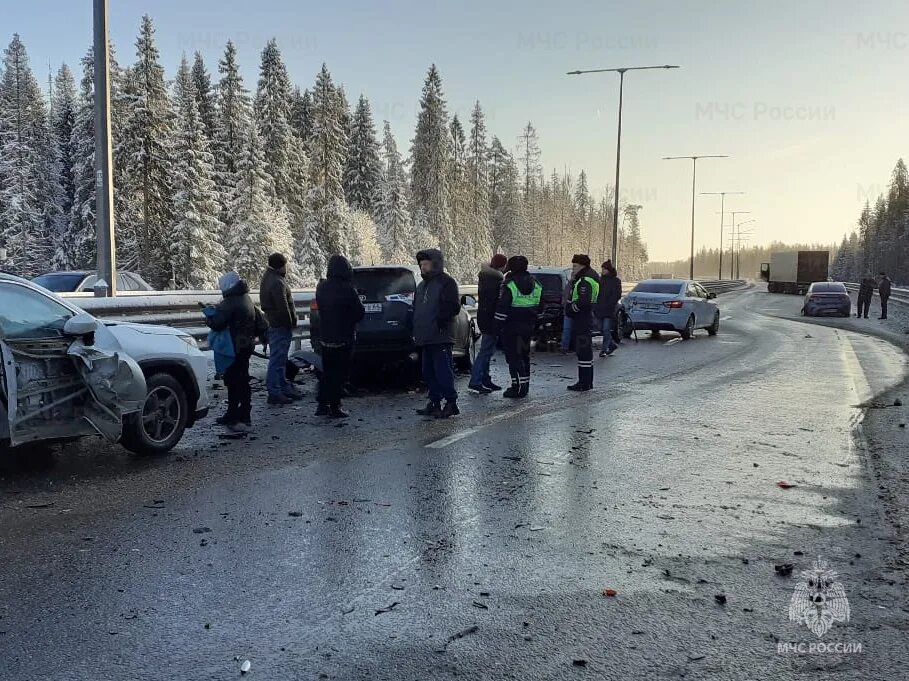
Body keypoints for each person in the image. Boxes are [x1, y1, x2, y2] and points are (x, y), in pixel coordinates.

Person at [205, 272, 262, 433]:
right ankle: (241, 414)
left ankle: (236, 416)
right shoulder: (245, 297)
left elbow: (217, 323)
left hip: (234, 347)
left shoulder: (230, 302)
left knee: (234, 381)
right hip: (245, 345)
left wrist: (208, 317)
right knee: (242, 380)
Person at [313, 255, 365, 418]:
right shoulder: (347, 289)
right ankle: (335, 406)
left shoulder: (321, 287)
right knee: (339, 373)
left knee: (327, 372)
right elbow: (359, 312)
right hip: (343, 338)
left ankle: (322, 405)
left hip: (326, 337)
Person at [413, 248, 462, 419]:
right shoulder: (421, 286)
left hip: (440, 335)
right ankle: (434, 402)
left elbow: (453, 306)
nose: (423, 268)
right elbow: (417, 309)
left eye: (426, 264)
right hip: (425, 336)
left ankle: (451, 402)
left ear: (435, 264)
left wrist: (441, 321)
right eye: (421, 265)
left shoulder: (446, 282)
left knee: (443, 371)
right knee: (428, 371)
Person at [494, 255, 542, 398]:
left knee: (513, 357)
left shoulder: (510, 285)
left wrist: (496, 327)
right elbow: (541, 305)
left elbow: (502, 309)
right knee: (524, 356)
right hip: (528, 326)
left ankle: (516, 386)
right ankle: (524, 386)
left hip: (511, 326)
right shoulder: (536, 283)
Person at [260, 253, 301, 405]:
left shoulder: (269, 277)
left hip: (275, 323)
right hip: (280, 325)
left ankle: (282, 386)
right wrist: (290, 322)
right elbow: (283, 306)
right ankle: (275, 390)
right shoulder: (277, 282)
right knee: (277, 359)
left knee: (280, 358)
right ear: (281, 265)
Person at [468, 254, 507, 394]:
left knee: (487, 350)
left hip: (484, 317)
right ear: (502, 266)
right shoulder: (496, 281)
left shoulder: (485, 277)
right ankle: (476, 380)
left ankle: (484, 378)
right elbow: (496, 302)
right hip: (491, 320)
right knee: (485, 351)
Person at [565, 254, 600, 391]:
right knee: (585, 352)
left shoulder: (585, 280)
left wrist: (571, 309)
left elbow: (583, 301)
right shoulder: (590, 278)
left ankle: (584, 382)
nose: (573, 269)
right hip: (586, 318)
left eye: (575, 266)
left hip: (582, 319)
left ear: (582, 266)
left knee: (583, 351)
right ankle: (586, 381)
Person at [595, 260, 621, 357]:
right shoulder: (600, 280)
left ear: (608, 270)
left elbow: (617, 294)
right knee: (600, 328)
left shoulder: (616, 281)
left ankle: (604, 349)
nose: (602, 271)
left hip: (609, 309)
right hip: (599, 308)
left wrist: (610, 304)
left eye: (604, 269)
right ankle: (612, 345)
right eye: (602, 269)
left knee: (606, 329)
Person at [560, 278, 574, 354]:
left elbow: (564, 298)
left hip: (569, 310)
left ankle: (565, 347)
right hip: (570, 310)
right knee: (568, 329)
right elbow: (564, 297)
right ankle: (566, 347)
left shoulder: (569, 285)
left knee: (567, 329)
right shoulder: (569, 285)